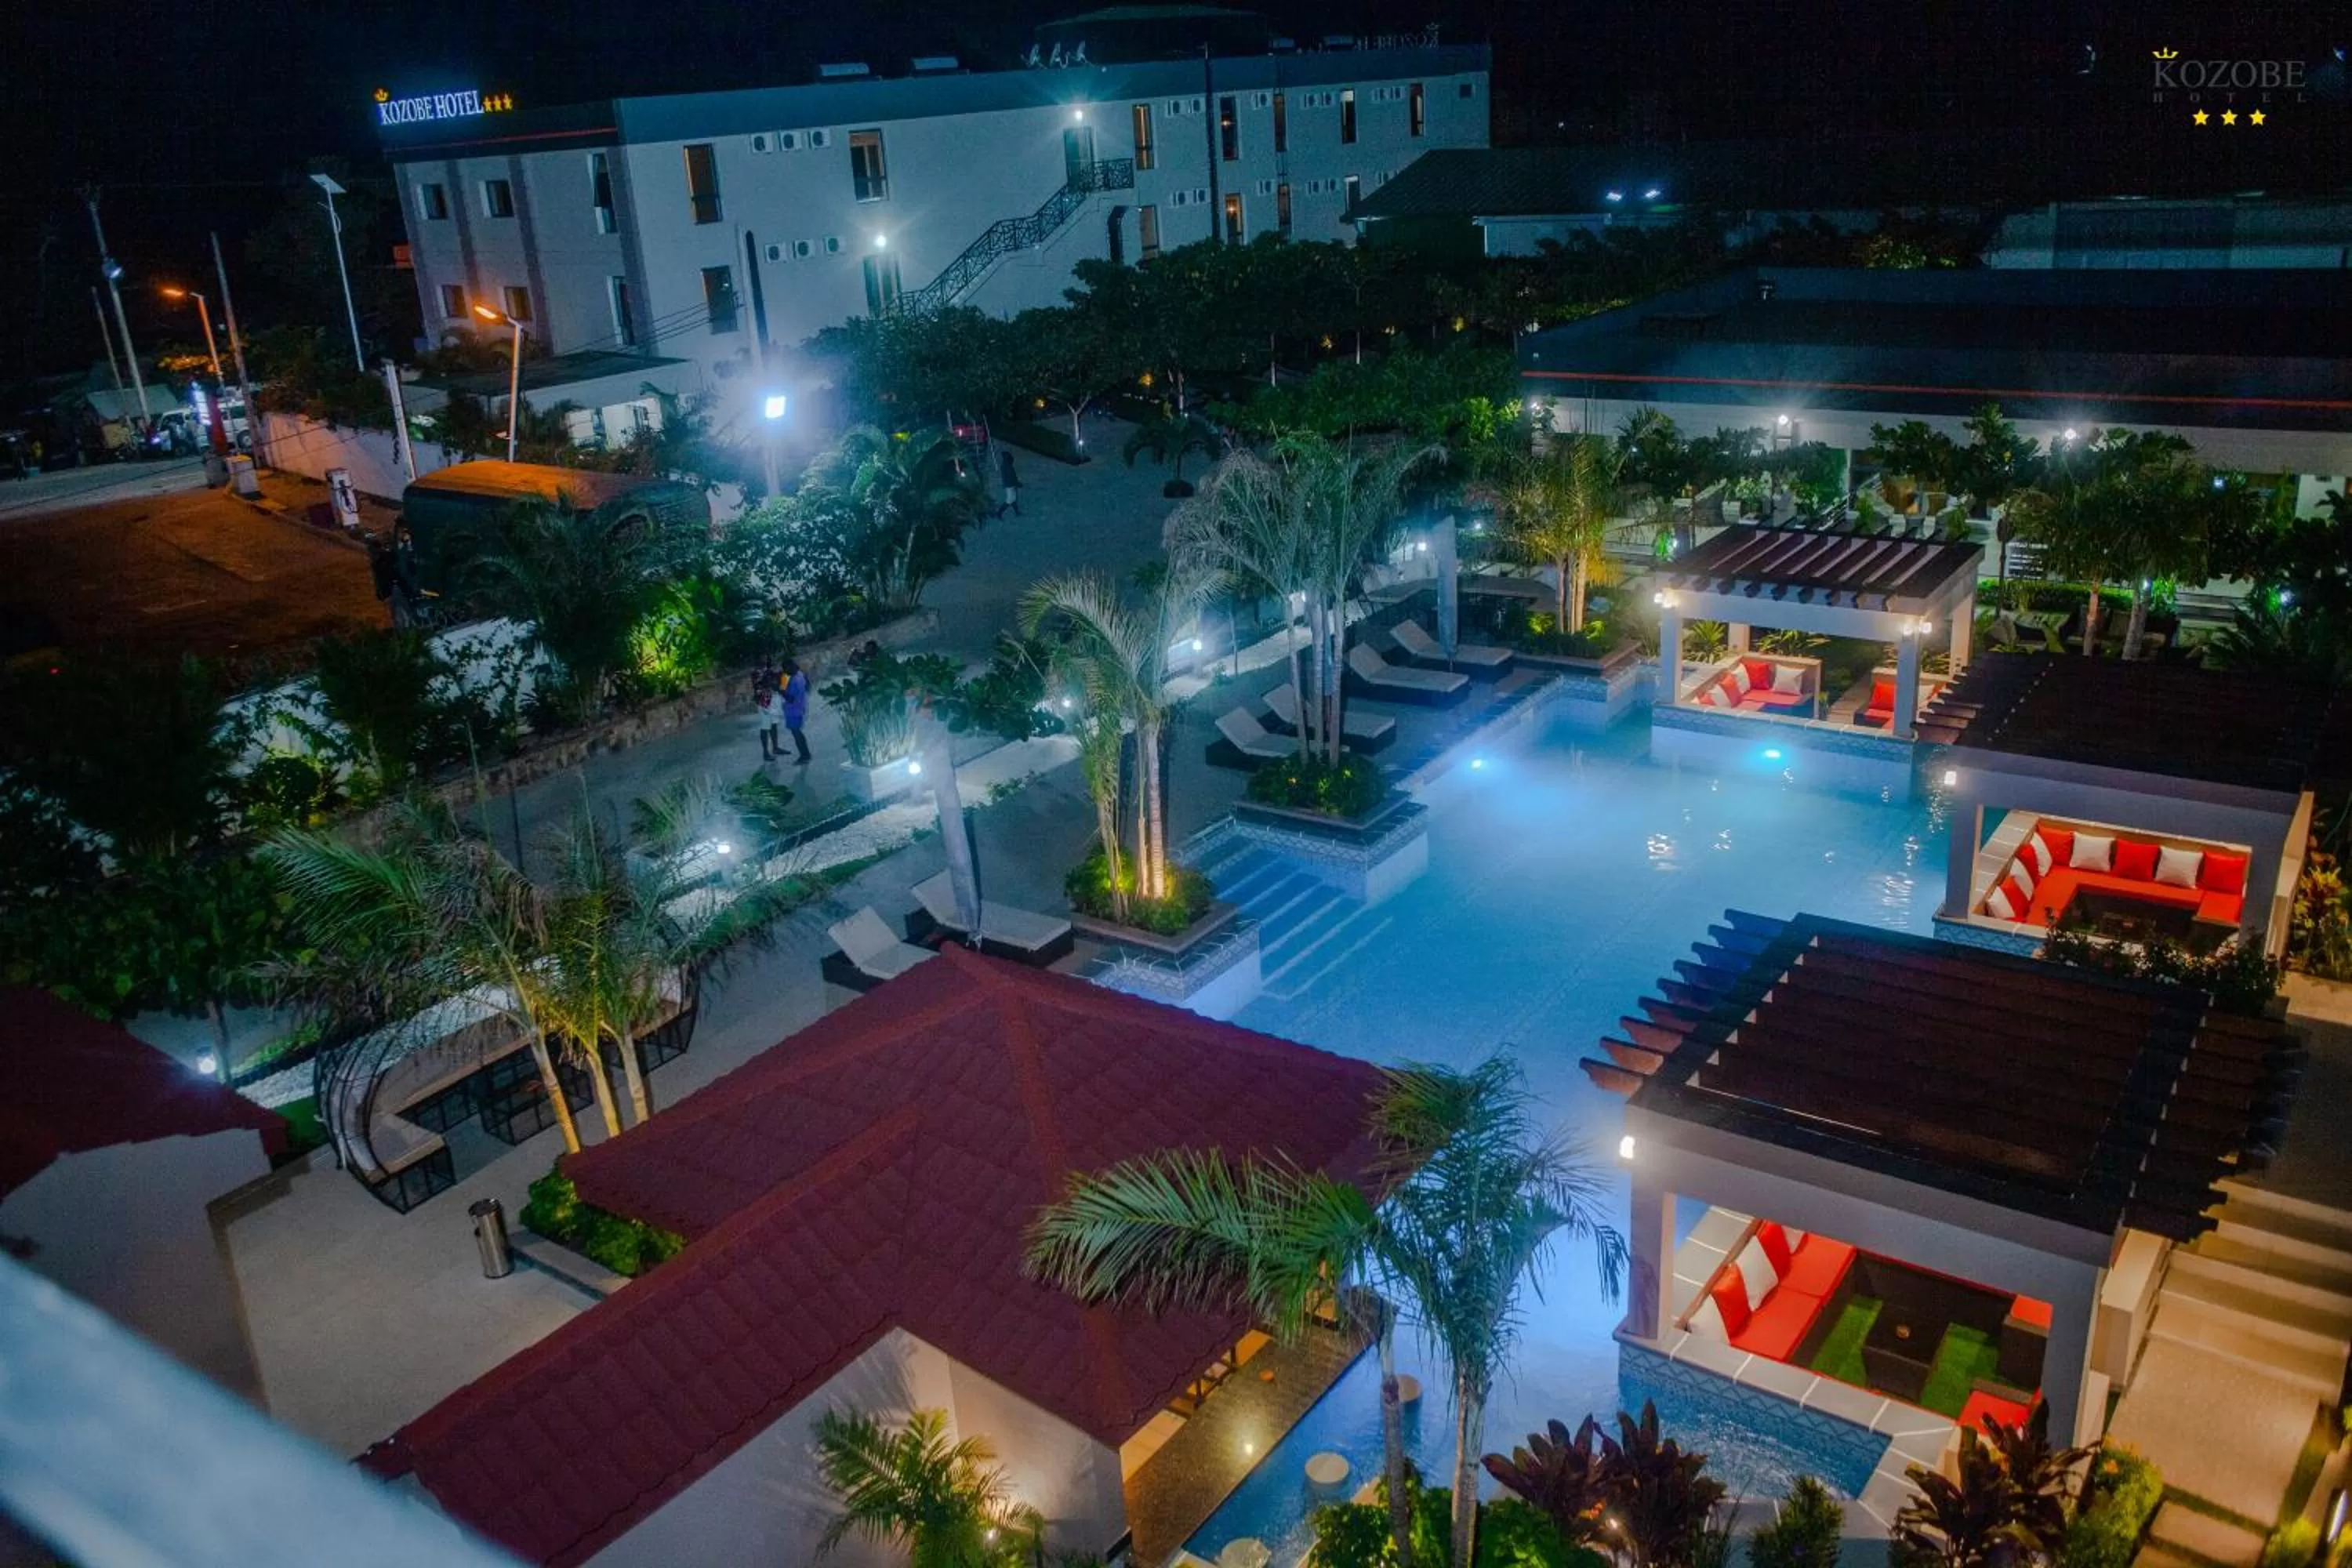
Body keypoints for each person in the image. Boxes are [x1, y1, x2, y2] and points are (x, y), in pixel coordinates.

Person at [388, 522, 425, 629]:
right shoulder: (397, 548)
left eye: (405, 532)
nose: (404, 534)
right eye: (401, 532)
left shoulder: (415, 545)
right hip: (402, 585)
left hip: (414, 583)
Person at [780, 658, 812, 764]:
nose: (784, 671)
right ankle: (805, 754)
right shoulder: (799, 675)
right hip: (797, 708)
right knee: (797, 732)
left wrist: (780, 690)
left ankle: (805, 755)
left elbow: (790, 698)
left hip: (794, 710)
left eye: (785, 669)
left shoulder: (795, 680)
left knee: (797, 733)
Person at [752, 659, 782, 762]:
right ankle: (766, 752)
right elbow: (766, 682)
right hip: (763, 701)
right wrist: (775, 675)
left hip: (771, 699)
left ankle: (775, 747)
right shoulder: (757, 672)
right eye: (762, 657)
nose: (765, 659)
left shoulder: (767, 670)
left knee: (773, 724)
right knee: (765, 726)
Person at [996, 446, 1022, 518]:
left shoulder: (1005, 466)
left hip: (1009, 484)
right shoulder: (1008, 467)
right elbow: (1012, 477)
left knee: (1013, 499)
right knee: (1010, 500)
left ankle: (1017, 512)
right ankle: (999, 513)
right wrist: (1017, 483)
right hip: (1010, 485)